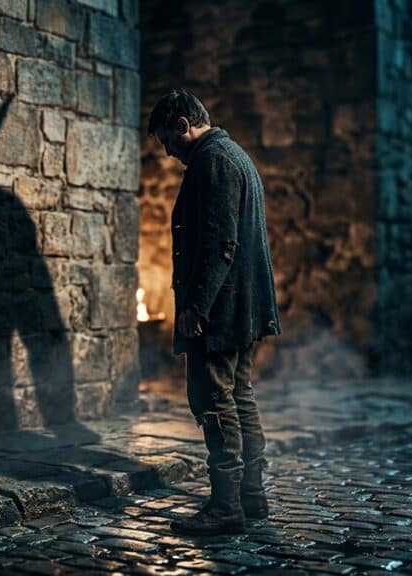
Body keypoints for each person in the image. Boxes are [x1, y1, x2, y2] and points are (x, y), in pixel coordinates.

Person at [147, 89, 282, 536]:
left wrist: (195, 306)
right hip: (237, 306)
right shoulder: (233, 154)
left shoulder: (214, 160)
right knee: (238, 396)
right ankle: (251, 498)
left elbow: (221, 243)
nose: (169, 152)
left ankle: (227, 506)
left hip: (221, 310)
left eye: (169, 140)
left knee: (215, 401)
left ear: (184, 124)